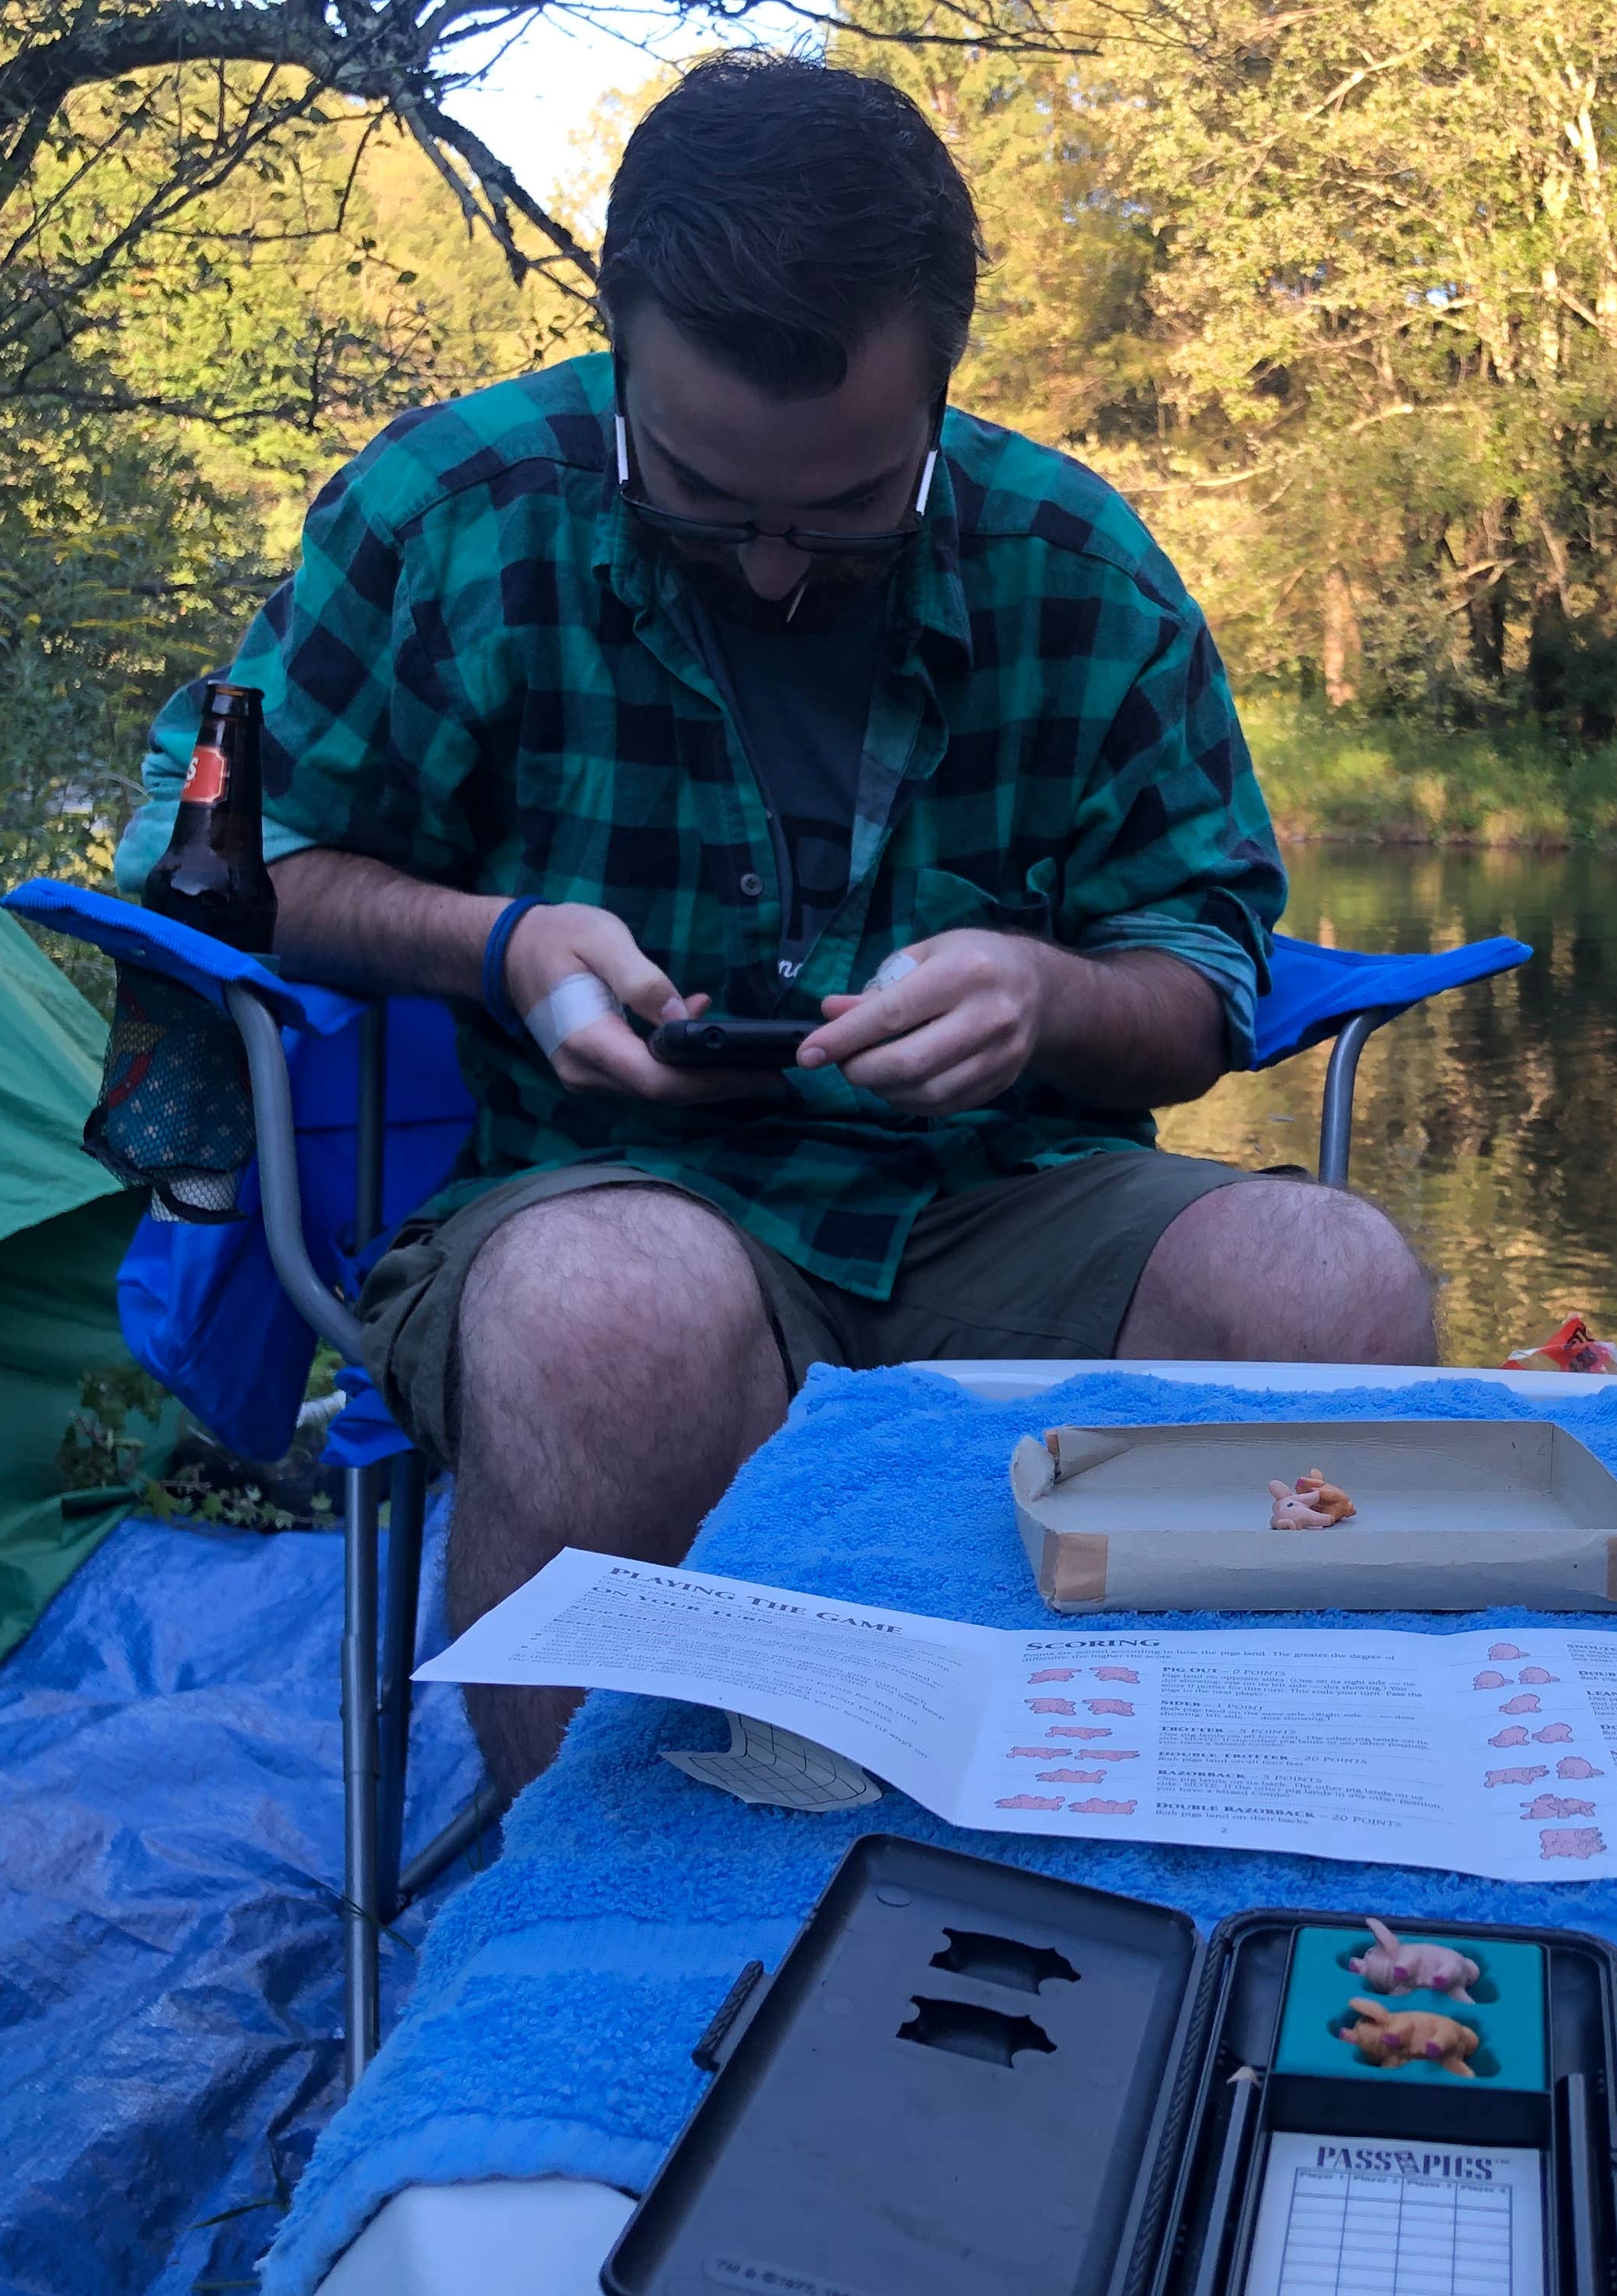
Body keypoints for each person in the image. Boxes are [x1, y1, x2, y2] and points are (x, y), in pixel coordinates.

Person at [114, 58, 1437, 1796]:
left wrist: (1047, 998)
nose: (767, 571)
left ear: (942, 394)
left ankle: (1246, 1867)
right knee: (609, 1314)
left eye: (842, 511)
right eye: (699, 502)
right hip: (591, 1190)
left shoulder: (1079, 566)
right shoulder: (452, 512)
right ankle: (582, 1947)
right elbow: (215, 850)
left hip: (1004, 1200)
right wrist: (497, 943)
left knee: (1332, 1279)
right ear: (621, 352)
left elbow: (1197, 981)